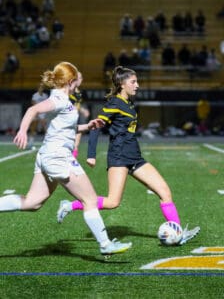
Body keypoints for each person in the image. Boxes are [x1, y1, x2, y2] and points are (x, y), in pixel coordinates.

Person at [57, 66, 200, 245]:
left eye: (137, 81)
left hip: (136, 157)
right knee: (112, 202)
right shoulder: (114, 104)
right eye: (133, 82)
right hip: (119, 158)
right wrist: (91, 154)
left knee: (164, 191)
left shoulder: (129, 103)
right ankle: (70, 205)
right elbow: (96, 127)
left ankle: (178, 233)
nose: (137, 85)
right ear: (122, 84)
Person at [0, 62, 132, 256]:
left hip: (48, 155)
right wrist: (22, 131)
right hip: (58, 157)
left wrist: (87, 126)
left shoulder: (63, 99)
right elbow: (32, 110)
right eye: (76, 79)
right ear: (70, 81)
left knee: (33, 202)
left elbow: (66, 128)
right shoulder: (60, 100)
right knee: (90, 200)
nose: (79, 82)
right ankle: (105, 245)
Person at [69, 71, 90, 158]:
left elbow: (77, 104)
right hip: (66, 117)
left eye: (81, 78)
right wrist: (82, 110)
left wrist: (82, 110)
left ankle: (74, 152)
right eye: (79, 78)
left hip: (74, 116)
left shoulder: (78, 92)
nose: (81, 80)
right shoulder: (69, 90)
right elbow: (69, 103)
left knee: (79, 131)